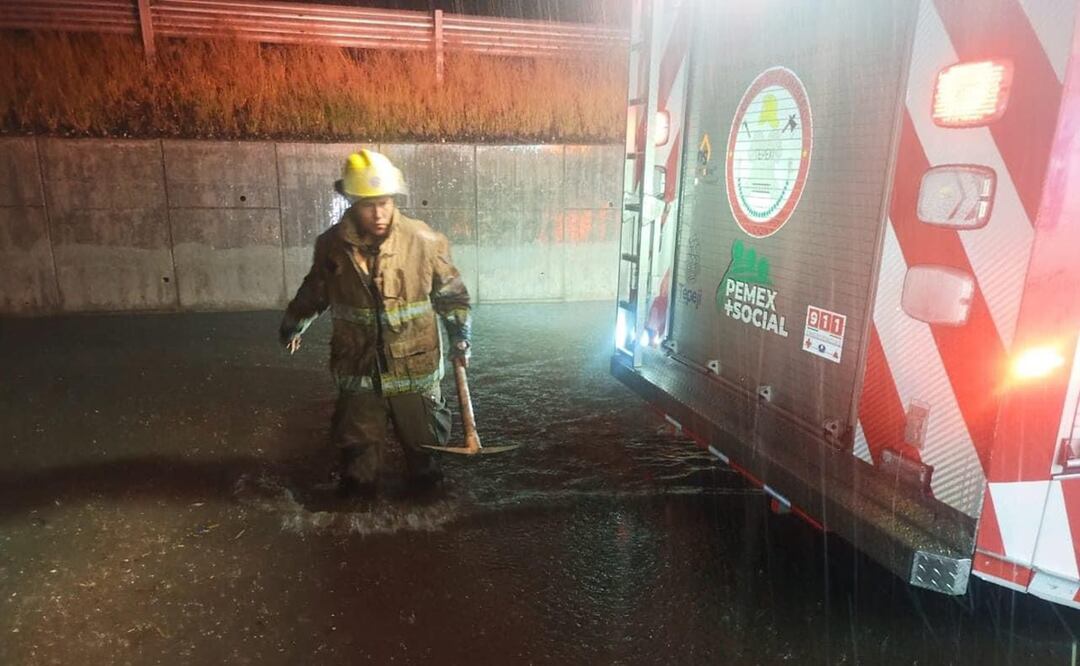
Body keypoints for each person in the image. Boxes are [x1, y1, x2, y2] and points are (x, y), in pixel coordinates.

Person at [279, 149, 471, 499]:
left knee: (426, 458)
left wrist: (460, 334)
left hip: (415, 370)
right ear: (352, 201)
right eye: (369, 204)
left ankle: (430, 537)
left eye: (384, 202)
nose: (379, 212)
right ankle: (356, 533)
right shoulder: (331, 246)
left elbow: (452, 295)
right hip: (359, 370)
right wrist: (294, 324)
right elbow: (314, 291)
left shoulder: (424, 241)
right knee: (358, 465)